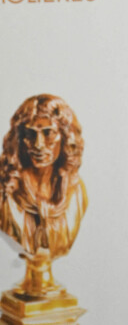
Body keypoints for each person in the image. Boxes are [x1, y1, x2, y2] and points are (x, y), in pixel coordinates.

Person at [0, 94, 87, 259]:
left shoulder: (75, 191)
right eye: (30, 134)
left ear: (65, 136)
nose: (38, 145)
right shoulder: (6, 189)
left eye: (48, 133)